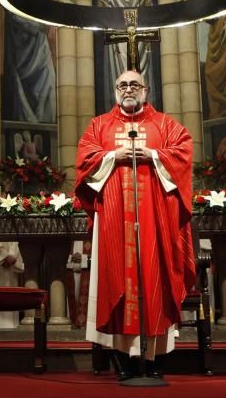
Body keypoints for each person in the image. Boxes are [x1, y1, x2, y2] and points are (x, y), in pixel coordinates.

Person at [74, 70, 195, 381]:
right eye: (122, 85)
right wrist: (113, 156)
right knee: (117, 279)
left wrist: (153, 155)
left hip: (157, 219)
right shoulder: (99, 125)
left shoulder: (166, 125)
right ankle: (124, 362)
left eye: (134, 85)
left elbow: (183, 152)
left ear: (146, 89)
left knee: (155, 278)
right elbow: (85, 159)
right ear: (115, 89)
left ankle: (154, 363)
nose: (128, 90)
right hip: (114, 218)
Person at [97, 0, 155, 110]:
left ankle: (142, 106)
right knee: (119, 72)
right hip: (117, 40)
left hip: (138, 40)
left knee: (139, 72)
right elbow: (101, 17)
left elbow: (150, 15)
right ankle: (119, 108)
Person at [4, 0, 56, 123]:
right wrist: (35, 26)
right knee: (20, 85)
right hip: (21, 43)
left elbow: (43, 11)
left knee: (49, 75)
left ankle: (45, 120)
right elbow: (13, 15)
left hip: (40, 44)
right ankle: (26, 121)